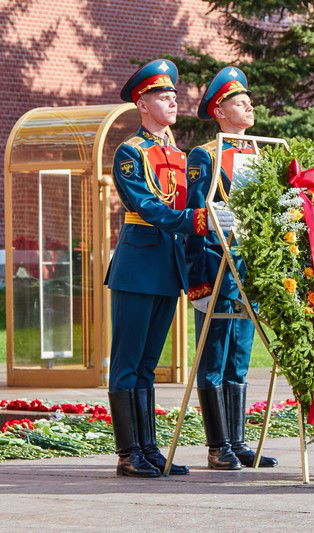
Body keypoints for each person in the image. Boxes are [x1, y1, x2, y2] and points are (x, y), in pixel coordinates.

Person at [106, 59, 235, 477]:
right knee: (128, 362)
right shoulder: (131, 152)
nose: (173, 102)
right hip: (138, 265)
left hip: (167, 266)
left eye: (174, 96)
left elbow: (193, 200)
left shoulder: (179, 154)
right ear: (142, 103)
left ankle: (150, 449)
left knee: (148, 364)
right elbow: (144, 205)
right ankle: (129, 454)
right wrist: (198, 220)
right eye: (163, 96)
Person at [185, 66, 278, 469]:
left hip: (249, 267)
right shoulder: (205, 155)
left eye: (250, 102)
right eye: (241, 103)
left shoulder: (258, 153)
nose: (250, 107)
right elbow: (194, 218)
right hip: (217, 265)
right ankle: (217, 445)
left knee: (240, 351)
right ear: (220, 110)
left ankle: (237, 441)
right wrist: (199, 281)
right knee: (215, 351)